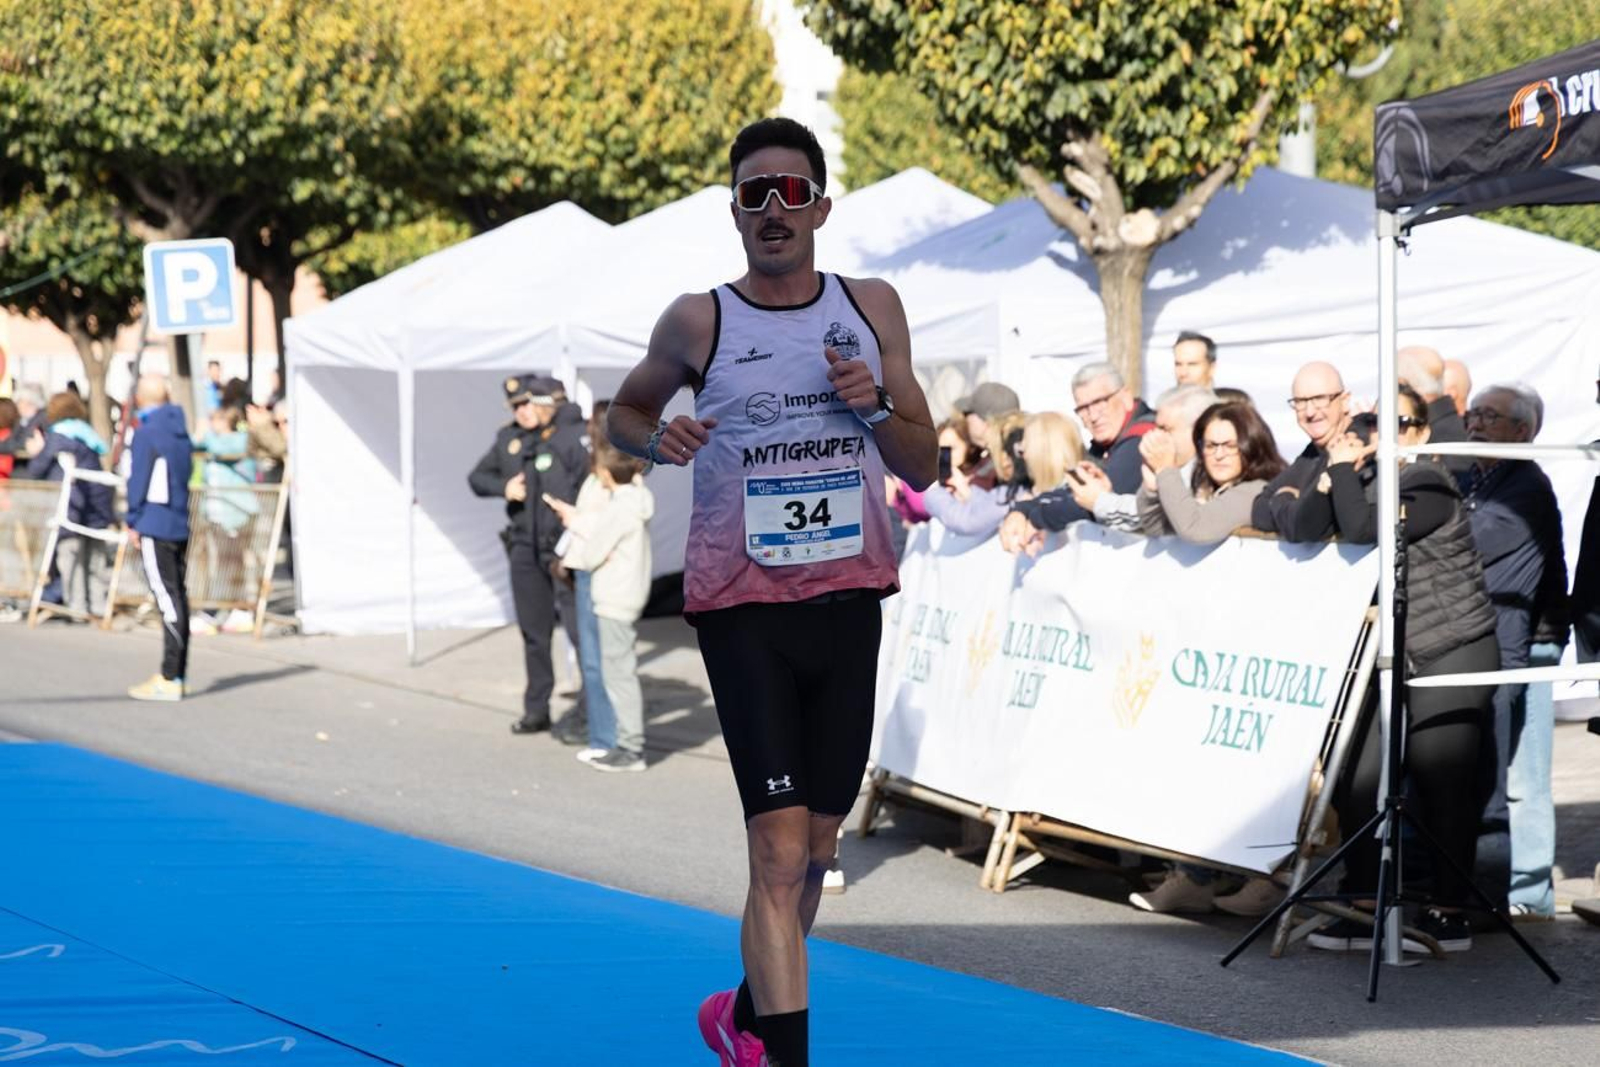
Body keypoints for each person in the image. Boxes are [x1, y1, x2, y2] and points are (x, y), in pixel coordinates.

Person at [606, 116, 936, 1067]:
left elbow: (922, 455)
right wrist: (652, 437)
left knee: (820, 849)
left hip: (849, 601)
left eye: (792, 192)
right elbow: (626, 410)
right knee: (778, 853)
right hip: (743, 609)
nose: (775, 209)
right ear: (736, 212)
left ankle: (746, 1013)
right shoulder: (698, 318)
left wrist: (869, 402)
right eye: (755, 194)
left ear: (822, 206)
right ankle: (779, 1056)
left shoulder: (872, 307)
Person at [1302, 384, 1500, 953]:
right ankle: (1364, 903)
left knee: (1441, 783)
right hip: (1388, 655)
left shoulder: (1428, 482)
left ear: (1419, 431)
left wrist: (1341, 472)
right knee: (1357, 778)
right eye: (1370, 421)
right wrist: (1335, 469)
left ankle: (1450, 910)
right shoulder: (1365, 476)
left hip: (1452, 644)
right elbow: (1298, 522)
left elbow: (1367, 530)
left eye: (1397, 422)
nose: (1380, 432)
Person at [1457, 383, 1565, 919]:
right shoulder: (1469, 476)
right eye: (1473, 412)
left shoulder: (1525, 486)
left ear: (1520, 431)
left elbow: (1469, 543)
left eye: (1489, 415)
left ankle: (1516, 896)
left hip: (1517, 645)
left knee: (1511, 779)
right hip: (1483, 642)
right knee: (1487, 772)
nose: (1474, 422)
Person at [467, 374, 590, 737]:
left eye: (526, 404)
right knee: (534, 633)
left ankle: (588, 709)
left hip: (564, 547)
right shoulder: (509, 439)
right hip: (524, 544)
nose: (521, 412)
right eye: (516, 406)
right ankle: (537, 708)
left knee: (579, 632)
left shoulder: (569, 436)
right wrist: (503, 487)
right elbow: (476, 479)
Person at [544, 440, 655, 773]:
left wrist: (592, 545)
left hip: (614, 598)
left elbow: (591, 553)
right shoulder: (637, 499)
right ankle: (626, 743)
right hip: (625, 595)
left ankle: (631, 747)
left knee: (618, 673)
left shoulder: (621, 507)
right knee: (619, 670)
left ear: (605, 473)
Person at [1001, 362, 1155, 541]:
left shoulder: (1143, 438)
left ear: (1126, 397)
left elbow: (1086, 503)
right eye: (1083, 408)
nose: (1093, 416)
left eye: (1100, 402)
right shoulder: (1105, 444)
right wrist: (1022, 509)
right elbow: (1070, 491)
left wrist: (1035, 518)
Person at [1056, 384, 1216, 536]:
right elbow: (1148, 514)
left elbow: (1157, 517)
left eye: (1166, 429)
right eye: (1157, 428)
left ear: (1199, 430)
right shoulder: (1179, 470)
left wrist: (1100, 502)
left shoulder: (1209, 476)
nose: (1155, 436)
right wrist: (1107, 494)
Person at [125, 375, 194, 702]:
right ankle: (176, 673)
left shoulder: (146, 432)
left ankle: (169, 676)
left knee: (168, 601)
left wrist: (133, 519)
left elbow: (138, 478)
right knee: (178, 596)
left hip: (154, 521)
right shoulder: (180, 430)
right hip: (178, 519)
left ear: (140, 398)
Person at [1250, 361, 1373, 538]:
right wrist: (1293, 502)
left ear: (1344, 401)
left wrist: (1284, 497)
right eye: (1300, 402)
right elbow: (1259, 511)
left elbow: (1304, 527)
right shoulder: (1312, 453)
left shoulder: (1356, 445)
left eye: (1320, 399)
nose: (1309, 412)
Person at [1138, 401, 1284, 544]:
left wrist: (1166, 469)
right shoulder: (1204, 490)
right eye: (1210, 445)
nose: (1219, 455)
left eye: (1230, 446)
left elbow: (1195, 528)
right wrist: (1153, 491)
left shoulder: (1256, 491)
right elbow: (1158, 529)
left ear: (1252, 446)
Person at [25, 392, 114, 618]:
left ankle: (77, 607)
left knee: (70, 557)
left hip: (69, 505)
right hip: (97, 504)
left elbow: (36, 470)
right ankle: (97, 606)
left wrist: (35, 451)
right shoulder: (88, 435)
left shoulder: (57, 437)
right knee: (95, 557)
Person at [924, 412, 1027, 538]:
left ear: (968, 445)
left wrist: (965, 490)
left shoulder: (991, 470)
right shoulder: (945, 478)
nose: (946, 456)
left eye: (951, 448)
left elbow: (982, 513)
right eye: (941, 450)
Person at [954, 381, 1020, 454]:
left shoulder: (997, 462)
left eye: (967, 413)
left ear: (987, 423)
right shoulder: (1017, 452)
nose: (965, 419)